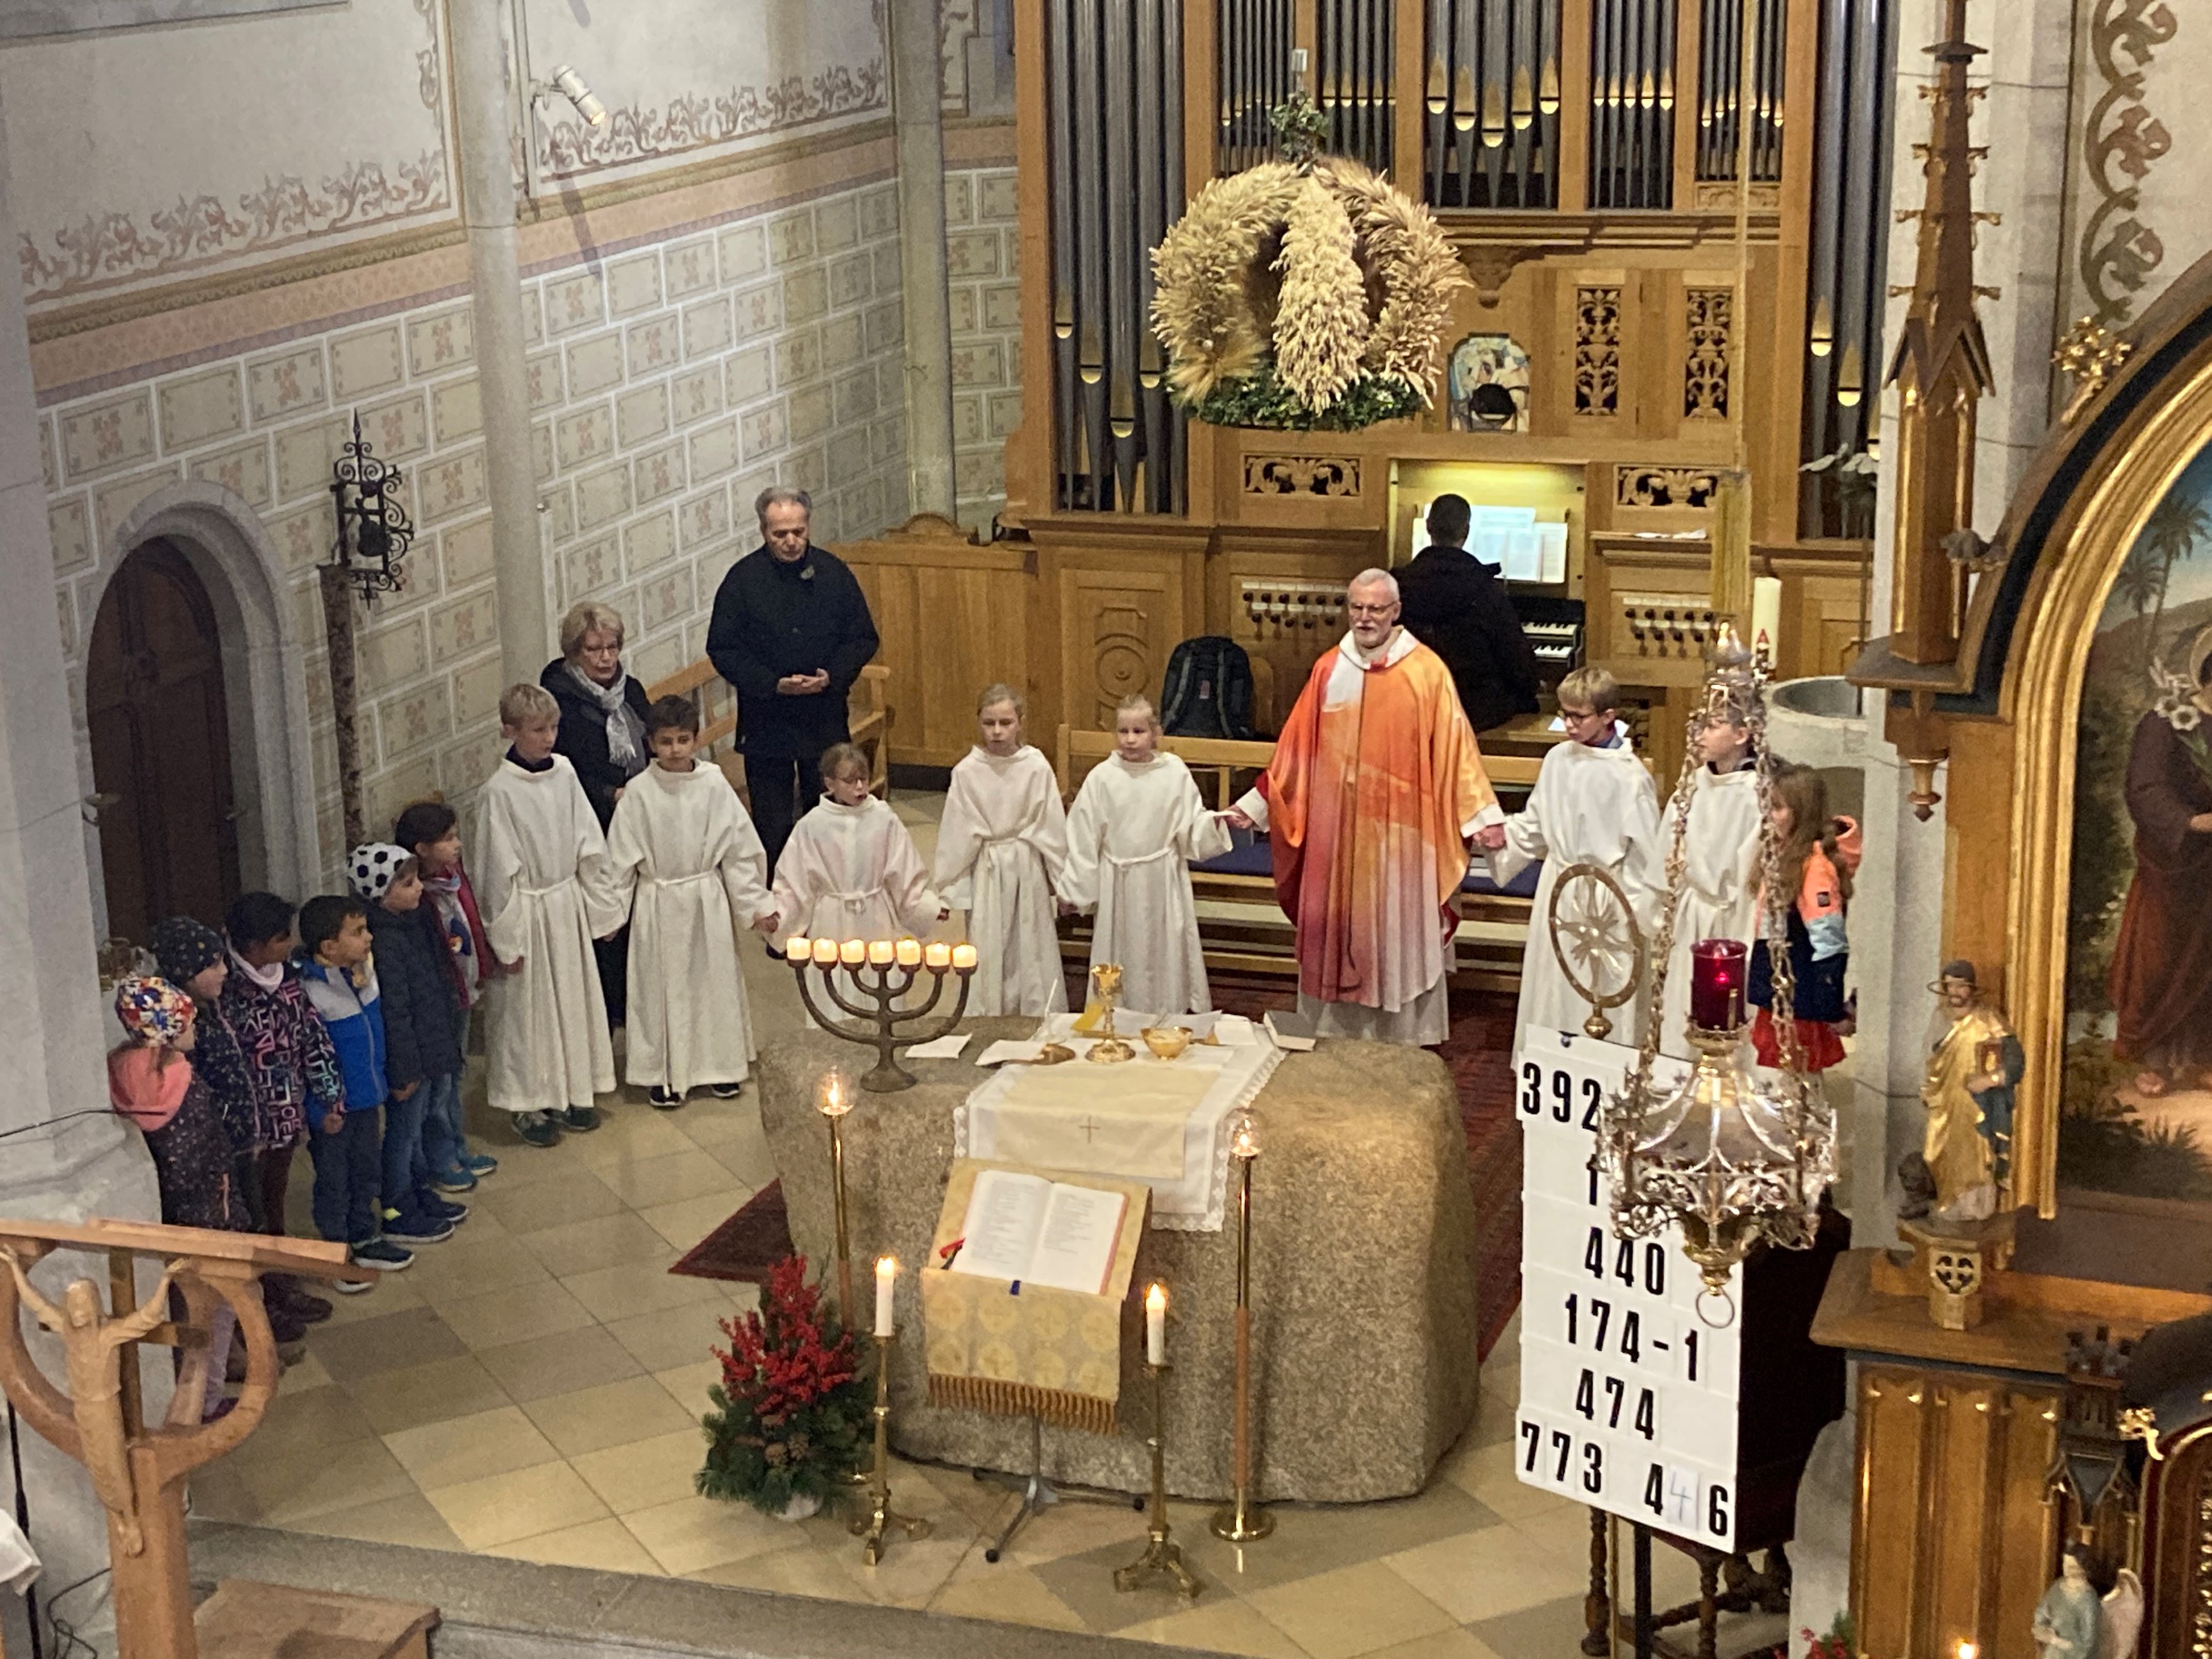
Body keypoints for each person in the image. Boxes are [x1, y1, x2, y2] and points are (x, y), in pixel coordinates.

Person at [1226, 569, 1502, 1045]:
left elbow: (1457, 749)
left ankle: (1404, 1037)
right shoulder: (1330, 670)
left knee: (1397, 935)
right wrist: (1257, 804)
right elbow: (1295, 751)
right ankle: (1334, 1034)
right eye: (1357, 607)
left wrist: (1480, 817)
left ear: (1396, 612)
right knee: (1339, 931)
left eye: (1375, 608)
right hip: (1337, 841)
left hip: (1402, 841)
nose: (1365, 617)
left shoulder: (1426, 672)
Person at [149, 916, 318, 1345]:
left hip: (245, 1143)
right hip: (223, 1156)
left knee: (261, 1219)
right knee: (241, 1235)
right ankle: (252, 1323)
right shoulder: (187, 1035)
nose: (225, 970)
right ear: (185, 973)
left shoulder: (215, 1010)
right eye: (212, 964)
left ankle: (272, 1298)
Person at [607, 695, 779, 1107]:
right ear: (650, 743)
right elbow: (619, 860)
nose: (675, 750)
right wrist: (611, 913)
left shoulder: (715, 784)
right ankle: (662, 1071)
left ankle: (721, 1066)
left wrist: (755, 903)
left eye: (683, 740)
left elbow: (738, 849)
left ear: (696, 739)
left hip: (705, 897)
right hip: (659, 900)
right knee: (661, 991)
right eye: (666, 741)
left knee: (711, 982)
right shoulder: (639, 792)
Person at [475, 683, 626, 1148]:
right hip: (528, 909)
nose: (549, 738)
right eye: (538, 730)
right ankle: (527, 1102)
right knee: (529, 1014)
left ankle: (569, 1093)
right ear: (510, 731)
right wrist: (507, 941)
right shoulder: (498, 792)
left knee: (571, 1003)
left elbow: (589, 843)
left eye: (553, 727)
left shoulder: (564, 772)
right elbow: (494, 873)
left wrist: (603, 910)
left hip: (565, 903)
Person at [1485, 665, 1663, 1057]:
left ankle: (1612, 1075)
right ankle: (1551, 1069)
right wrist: (1502, 837)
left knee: (1603, 989)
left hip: (1609, 900)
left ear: (1607, 717)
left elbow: (1648, 852)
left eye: (1577, 717)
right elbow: (1535, 824)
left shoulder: (1630, 778)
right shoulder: (1557, 759)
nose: (1567, 725)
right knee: (1555, 986)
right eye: (1563, 714)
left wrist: (1640, 913)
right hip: (1559, 887)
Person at [705, 486, 880, 875]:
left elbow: (863, 637)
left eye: (798, 532)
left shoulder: (833, 573)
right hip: (768, 722)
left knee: (834, 818)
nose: (790, 542)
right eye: (779, 534)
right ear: (763, 530)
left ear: (808, 526)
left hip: (824, 717)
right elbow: (723, 649)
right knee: (773, 826)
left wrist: (832, 675)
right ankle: (782, 919)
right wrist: (771, 683)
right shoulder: (743, 581)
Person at [106, 976, 248, 1418]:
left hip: (159, 1212)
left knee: (176, 1309)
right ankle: (204, 1402)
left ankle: (180, 1395)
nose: (195, 1024)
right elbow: (195, 1155)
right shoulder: (181, 1079)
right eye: (186, 1019)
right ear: (165, 1028)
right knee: (216, 1310)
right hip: (208, 1212)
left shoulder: (120, 1070)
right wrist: (225, 1201)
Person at [1059, 693, 1233, 1016]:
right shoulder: (1103, 778)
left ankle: (1166, 1013)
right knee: (1120, 951)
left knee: (1162, 950)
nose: (1130, 739)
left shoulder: (1173, 772)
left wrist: (1215, 825)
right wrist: (1075, 890)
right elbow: (1083, 838)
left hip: (1161, 880)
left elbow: (1191, 824)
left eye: (1139, 731)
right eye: (1123, 731)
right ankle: (1114, 1017)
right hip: (1118, 883)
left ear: (1155, 733)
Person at [219, 891, 344, 1325]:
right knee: (251, 1210)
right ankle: (263, 1297)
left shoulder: (289, 979)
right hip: (249, 1129)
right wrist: (244, 1132)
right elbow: (229, 1069)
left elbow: (312, 1035)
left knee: (274, 1202)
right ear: (253, 946)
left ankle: (281, 1283)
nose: (289, 945)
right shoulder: (228, 992)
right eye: (280, 938)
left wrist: (329, 1094)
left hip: (286, 1114)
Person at [2108, 621, 2212, 1097]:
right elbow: (2145, 786)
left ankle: (2203, 1058)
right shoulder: (2164, 722)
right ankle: (2150, 1055)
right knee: (2163, 957)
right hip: (2175, 862)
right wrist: (2190, 823)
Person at [349, 844, 468, 1245]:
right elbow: (395, 1010)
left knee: (417, 1129)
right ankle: (397, 1206)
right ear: (380, 892)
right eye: (406, 882)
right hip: (410, 1056)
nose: (418, 887)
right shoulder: (383, 940)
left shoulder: (412, 923)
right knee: (403, 1134)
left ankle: (418, 1191)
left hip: (430, 1043)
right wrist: (404, 1068)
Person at [542, 600, 652, 1029]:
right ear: (574, 652)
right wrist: (611, 792)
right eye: (594, 649)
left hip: (635, 815)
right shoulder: (562, 703)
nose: (607, 658)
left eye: (612, 647)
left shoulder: (632, 690)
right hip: (594, 819)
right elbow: (563, 770)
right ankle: (608, 1004)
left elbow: (651, 736)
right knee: (607, 914)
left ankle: (636, 994)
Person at [296, 895, 413, 1285]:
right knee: (335, 1179)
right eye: (358, 932)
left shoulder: (362, 976)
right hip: (333, 1110)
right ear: (329, 947)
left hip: (367, 1099)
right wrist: (320, 1109)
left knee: (366, 1171)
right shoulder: (311, 991)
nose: (368, 938)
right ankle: (336, 1250)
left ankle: (364, 1236)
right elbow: (310, 1058)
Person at [935, 686, 1069, 1016]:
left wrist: (1065, 883)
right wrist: (946, 889)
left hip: (1027, 865)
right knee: (989, 944)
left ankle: (1035, 1014)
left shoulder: (1036, 766)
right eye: (989, 723)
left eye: (1005, 723)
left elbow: (1051, 827)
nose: (997, 732)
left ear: (1020, 722)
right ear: (978, 722)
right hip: (989, 869)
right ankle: (988, 1016)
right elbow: (957, 834)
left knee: (1031, 944)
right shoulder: (967, 771)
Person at [392, 801, 500, 1191]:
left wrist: (481, 966)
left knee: (455, 1077)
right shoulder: (417, 897)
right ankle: (438, 1158)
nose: (457, 845)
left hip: (462, 989)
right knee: (437, 1087)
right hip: (437, 1001)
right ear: (421, 848)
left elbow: (468, 924)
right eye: (448, 839)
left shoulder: (453, 877)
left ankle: (457, 1146)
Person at [1654, 705, 1764, 1058]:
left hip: (1736, 918)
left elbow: (1757, 871)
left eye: (1713, 727)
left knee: (1734, 1014)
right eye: (1698, 725)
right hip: (1692, 916)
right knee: (1682, 1012)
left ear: (1742, 735)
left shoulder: (1757, 792)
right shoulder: (1691, 784)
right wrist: (1658, 918)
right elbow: (1664, 856)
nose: (1699, 735)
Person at [774, 743, 944, 964]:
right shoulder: (812, 825)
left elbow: (903, 870)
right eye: (850, 780)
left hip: (875, 914)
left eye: (864, 778)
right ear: (830, 783)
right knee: (834, 978)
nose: (860, 786)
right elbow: (794, 882)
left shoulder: (883, 817)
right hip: (832, 919)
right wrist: (777, 919)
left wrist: (925, 907)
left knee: (880, 977)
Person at [1396, 492, 1541, 734]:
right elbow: (1517, 662)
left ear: (1428, 526)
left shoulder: (1397, 585)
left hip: (1414, 703)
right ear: (1467, 531)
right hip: (1474, 711)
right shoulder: (1486, 590)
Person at [1747, 762, 1858, 1073]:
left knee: (1797, 1096)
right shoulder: (1781, 856)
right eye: (1767, 806)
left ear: (1802, 811)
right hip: (1778, 996)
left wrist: (1828, 1007)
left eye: (1778, 808)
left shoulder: (1815, 869)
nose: (1769, 816)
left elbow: (1830, 944)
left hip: (1800, 1004)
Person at [1914, 959, 2026, 1223]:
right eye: (1950, 985)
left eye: (1961, 986)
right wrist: (1928, 1087)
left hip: (1977, 1105)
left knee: (1976, 1157)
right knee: (1935, 1152)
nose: (1955, 991)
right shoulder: (1939, 1018)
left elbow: (2015, 1060)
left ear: (1971, 989)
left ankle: (1973, 1208)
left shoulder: (1989, 1019)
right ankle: (1947, 1201)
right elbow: (1931, 1059)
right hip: (1944, 1102)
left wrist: (1991, 1080)